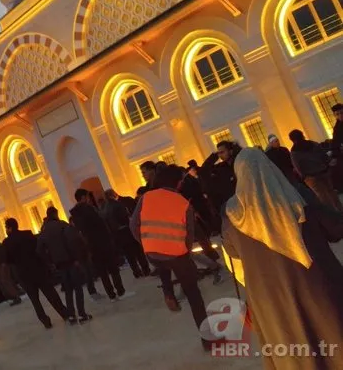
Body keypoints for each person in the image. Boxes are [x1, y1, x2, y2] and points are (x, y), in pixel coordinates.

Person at [222, 148, 343, 369]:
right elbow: (335, 228)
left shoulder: (231, 217)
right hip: (318, 288)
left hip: (269, 301)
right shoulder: (296, 196)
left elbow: (235, 262)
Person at [130, 165, 213, 351]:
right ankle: (207, 339)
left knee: (162, 265)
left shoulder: (146, 198)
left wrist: (146, 243)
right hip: (178, 255)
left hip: (153, 254)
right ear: (178, 182)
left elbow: (133, 224)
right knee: (194, 295)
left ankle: (168, 292)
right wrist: (183, 250)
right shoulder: (183, 203)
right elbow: (189, 235)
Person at [3, 217, 68, 328]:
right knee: (51, 293)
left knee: (35, 300)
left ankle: (45, 321)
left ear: (8, 228)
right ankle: (64, 313)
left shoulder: (7, 243)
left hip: (24, 274)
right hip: (37, 269)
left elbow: (8, 260)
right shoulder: (28, 234)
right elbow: (38, 250)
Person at [37, 207, 92, 324]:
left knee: (68, 290)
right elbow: (73, 240)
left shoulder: (44, 230)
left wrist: (50, 261)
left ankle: (71, 315)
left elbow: (39, 250)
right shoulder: (62, 225)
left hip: (59, 264)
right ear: (56, 214)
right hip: (70, 260)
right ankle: (81, 314)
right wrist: (77, 258)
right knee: (77, 288)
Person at [70, 188, 126, 301]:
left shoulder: (75, 214)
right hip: (102, 242)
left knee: (103, 272)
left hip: (92, 246)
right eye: (87, 197)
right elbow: (100, 223)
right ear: (83, 198)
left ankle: (111, 294)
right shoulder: (89, 210)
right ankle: (120, 291)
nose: (89, 199)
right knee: (113, 268)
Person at [289, 129, 343, 212]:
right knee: (331, 192)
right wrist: (327, 163)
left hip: (311, 177)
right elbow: (323, 155)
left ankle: (333, 215)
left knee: (322, 197)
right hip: (323, 171)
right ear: (302, 135)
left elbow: (297, 166)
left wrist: (303, 176)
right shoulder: (313, 144)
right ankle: (340, 210)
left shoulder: (294, 152)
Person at [104, 189, 151, 278]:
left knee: (129, 255)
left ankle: (136, 272)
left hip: (119, 235)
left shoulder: (105, 208)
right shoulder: (118, 204)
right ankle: (145, 269)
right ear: (113, 194)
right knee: (138, 252)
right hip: (127, 231)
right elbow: (125, 217)